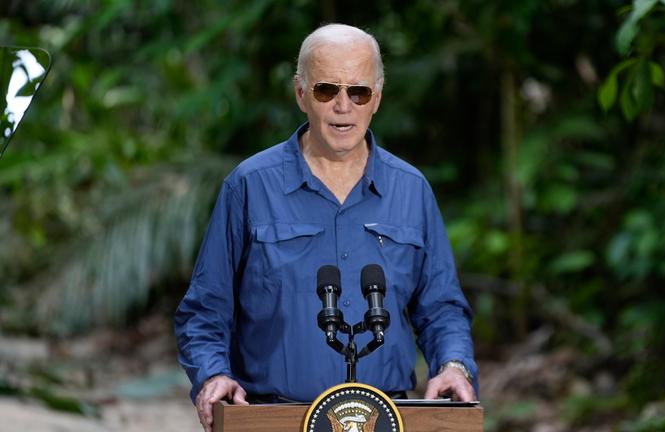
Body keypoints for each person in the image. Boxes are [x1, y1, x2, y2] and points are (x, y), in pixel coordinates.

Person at [174, 23, 478, 432]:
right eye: (325, 90)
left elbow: (441, 308)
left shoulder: (412, 190)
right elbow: (204, 310)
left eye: (358, 92)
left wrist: (454, 365)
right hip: (271, 417)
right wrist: (212, 375)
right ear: (300, 93)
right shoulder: (250, 185)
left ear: (377, 98)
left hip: (385, 419)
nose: (343, 106)